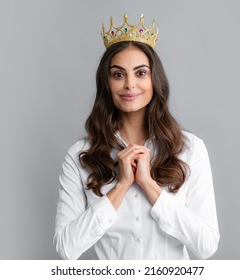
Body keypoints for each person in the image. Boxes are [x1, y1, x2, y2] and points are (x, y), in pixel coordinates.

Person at [53, 14, 219, 260]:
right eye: (118, 75)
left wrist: (149, 186)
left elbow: (206, 246)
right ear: (106, 83)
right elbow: (66, 248)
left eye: (140, 73)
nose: (130, 84)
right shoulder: (81, 156)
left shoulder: (189, 149)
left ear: (155, 79)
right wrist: (120, 187)